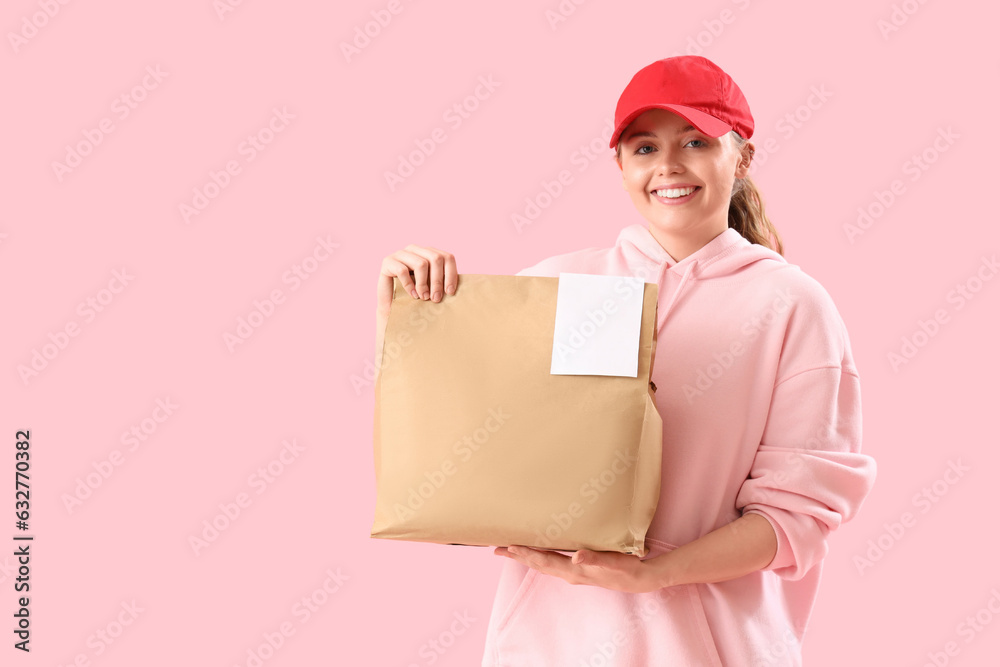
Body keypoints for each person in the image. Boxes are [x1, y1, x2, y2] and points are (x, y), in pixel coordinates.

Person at [375, 55, 876, 666]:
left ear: (741, 157)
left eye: (695, 141)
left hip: (710, 650)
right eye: (644, 148)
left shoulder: (793, 305)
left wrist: (655, 573)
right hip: (552, 644)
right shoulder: (559, 286)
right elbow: (460, 444)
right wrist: (406, 312)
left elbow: (798, 516)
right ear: (619, 166)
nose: (668, 166)